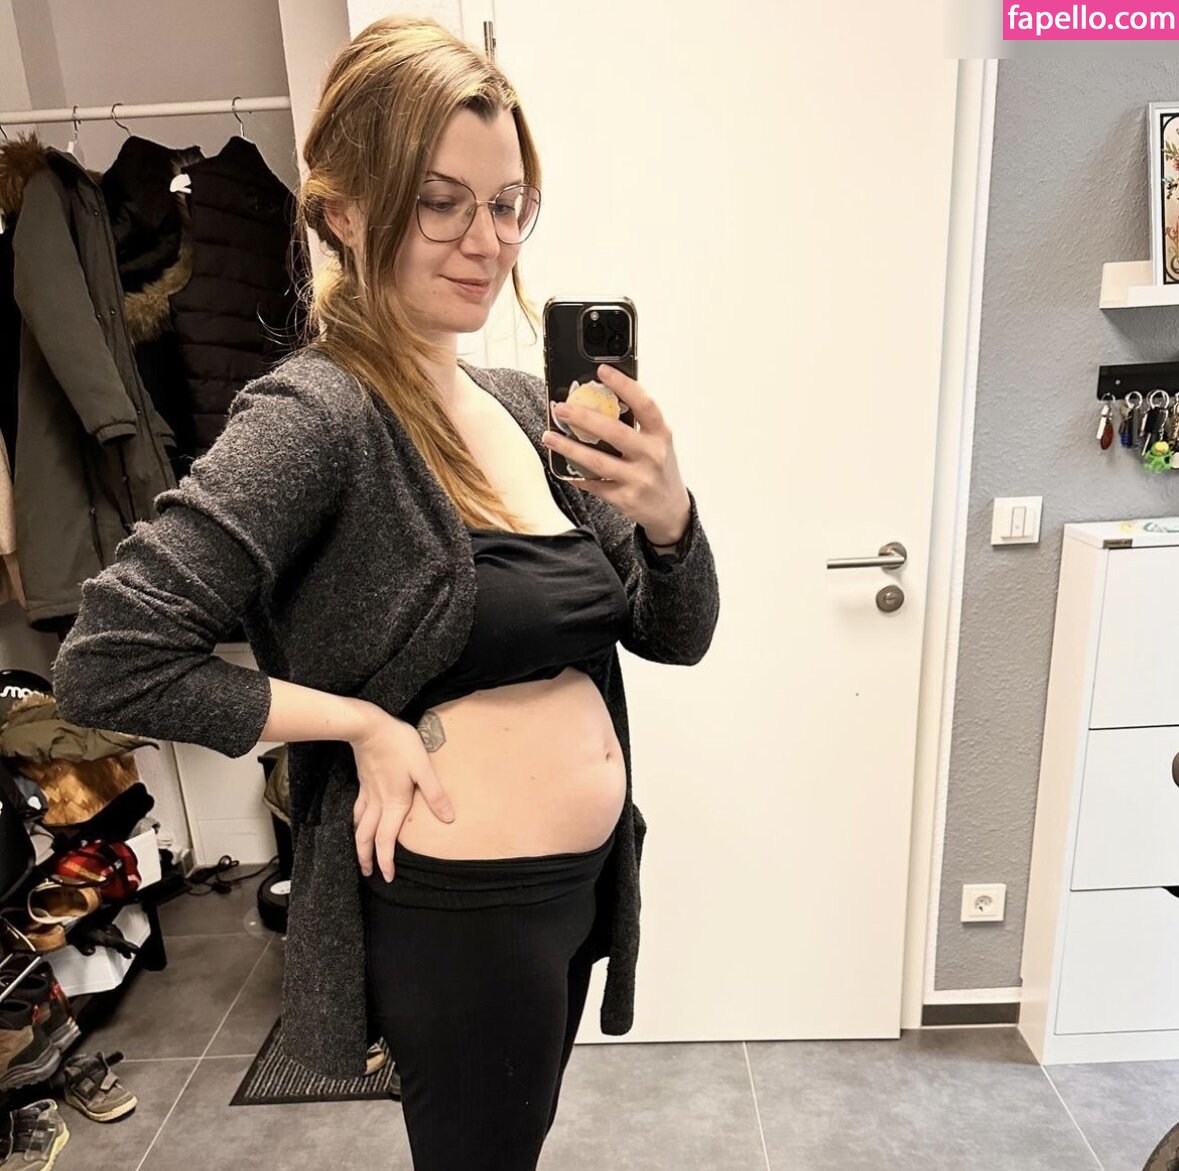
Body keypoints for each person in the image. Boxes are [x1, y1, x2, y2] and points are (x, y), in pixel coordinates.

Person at [51, 15, 719, 1170]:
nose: (485, 240)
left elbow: (676, 633)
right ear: (347, 211)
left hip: (576, 886)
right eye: (439, 202)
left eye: (507, 204)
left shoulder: (524, 405)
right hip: (459, 910)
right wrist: (360, 723)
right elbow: (109, 659)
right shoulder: (318, 415)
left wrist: (668, 516)